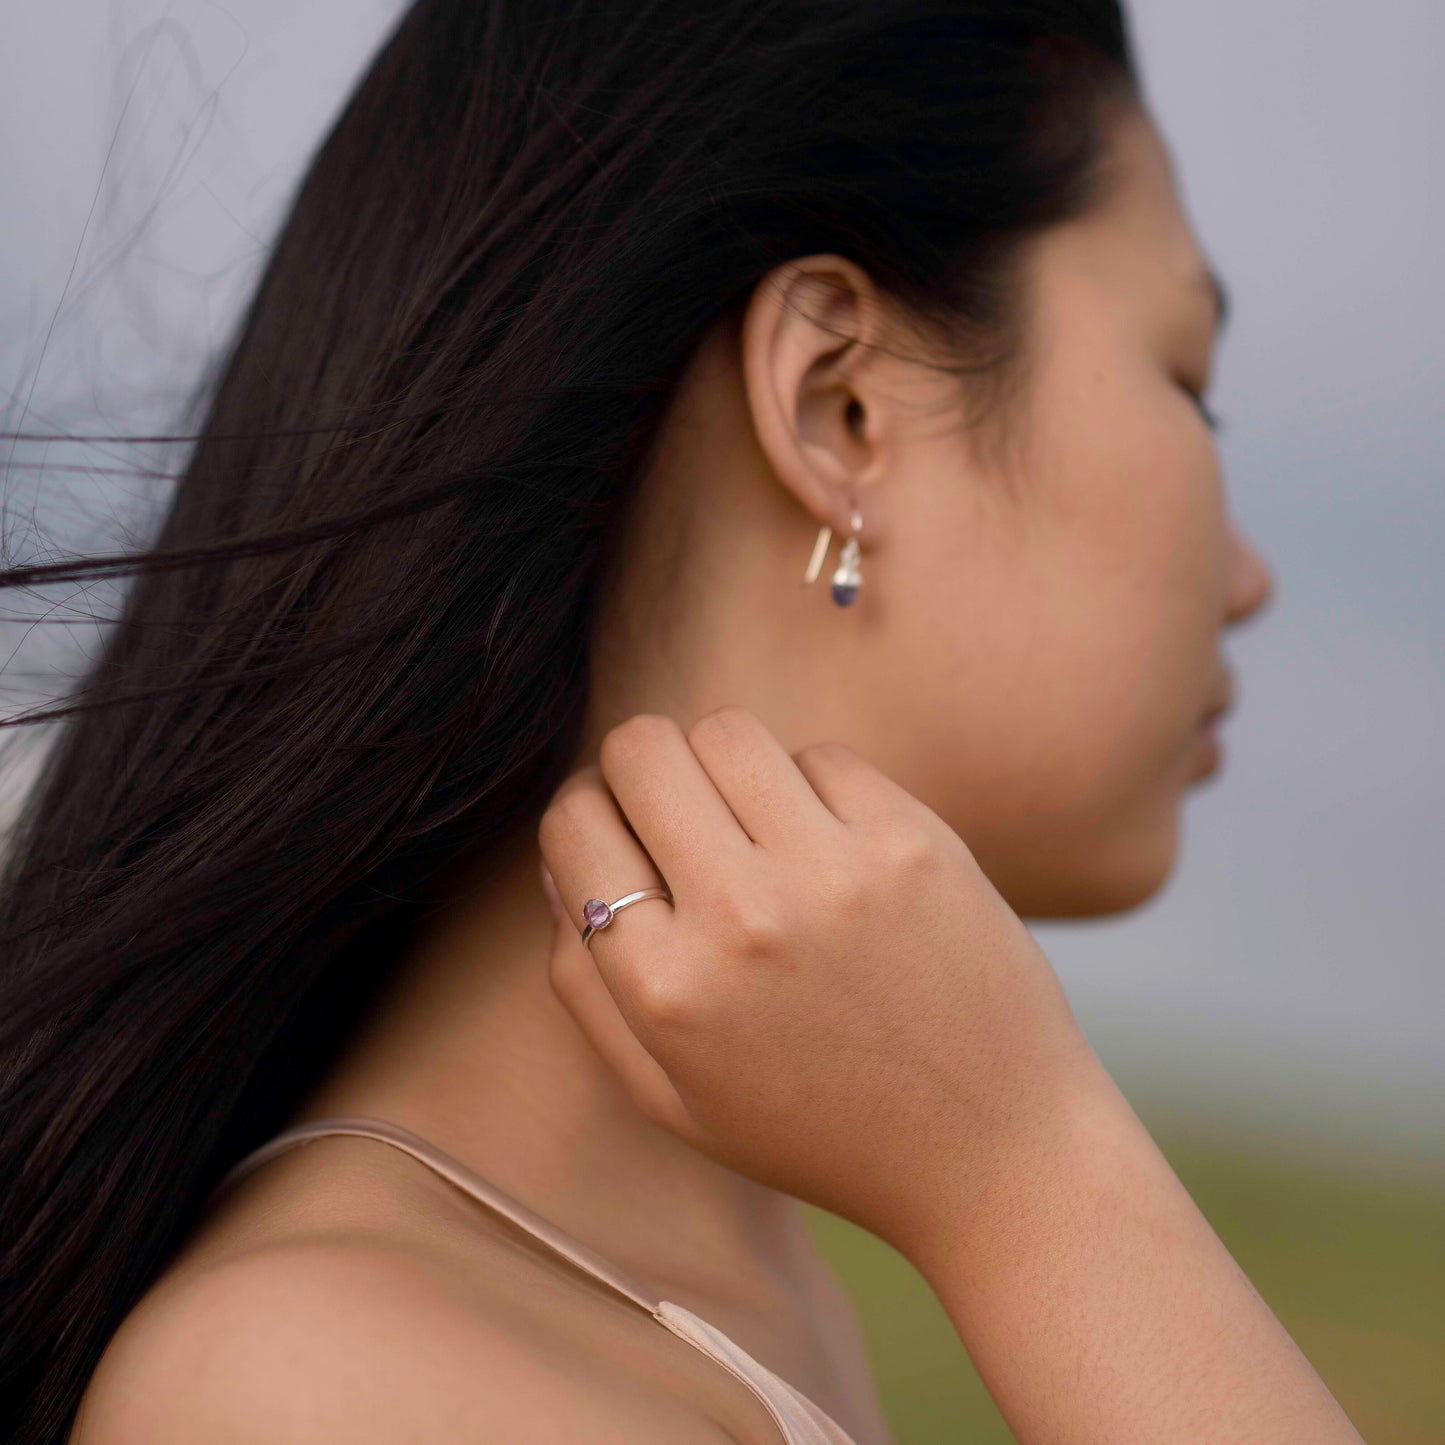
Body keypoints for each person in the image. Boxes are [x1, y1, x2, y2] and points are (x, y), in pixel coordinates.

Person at [0, 1, 1364, 1441]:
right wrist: (1033, 1180)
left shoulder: (740, 1275)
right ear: (835, 405)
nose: (1248, 576)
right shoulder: (338, 1385)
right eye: (1185, 383)